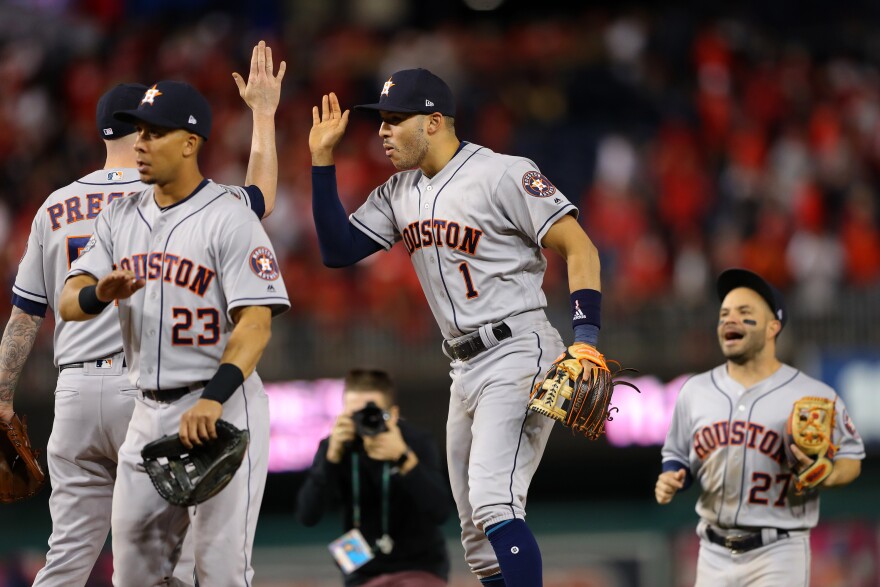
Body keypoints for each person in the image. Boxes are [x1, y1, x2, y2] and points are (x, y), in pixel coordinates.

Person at [0, 40, 284, 587]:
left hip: (143, 395)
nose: (146, 141)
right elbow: (262, 196)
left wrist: (2, 395)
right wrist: (264, 117)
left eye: (158, 130)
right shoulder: (127, 213)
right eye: (143, 129)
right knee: (148, 571)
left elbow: (26, 314)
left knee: (198, 569)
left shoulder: (60, 204)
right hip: (140, 400)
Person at [308, 68, 605, 586]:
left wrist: (587, 340)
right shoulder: (398, 191)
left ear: (434, 122)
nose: (382, 130)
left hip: (517, 348)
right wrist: (320, 161)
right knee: (474, 531)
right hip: (463, 366)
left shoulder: (503, 173)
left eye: (396, 120)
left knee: (494, 500)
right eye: (381, 120)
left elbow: (579, 246)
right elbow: (337, 250)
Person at [655, 268, 865, 586]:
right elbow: (676, 455)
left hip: (779, 551)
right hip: (712, 551)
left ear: (772, 326)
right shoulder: (695, 390)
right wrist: (672, 475)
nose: (729, 320)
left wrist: (831, 474)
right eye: (724, 313)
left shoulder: (812, 394)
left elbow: (851, 457)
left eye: (744, 312)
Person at [295, 368, 452, 587]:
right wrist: (330, 459)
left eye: (371, 414)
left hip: (420, 566)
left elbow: (441, 511)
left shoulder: (415, 442)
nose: (363, 421)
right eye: (354, 415)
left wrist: (404, 459)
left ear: (393, 414)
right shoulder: (336, 447)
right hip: (362, 572)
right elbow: (307, 516)